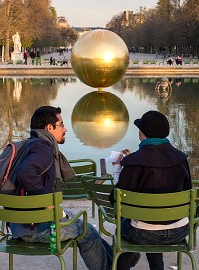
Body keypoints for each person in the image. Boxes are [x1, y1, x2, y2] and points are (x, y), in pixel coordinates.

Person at [9, 106, 112, 270]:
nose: (65, 129)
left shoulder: (28, 145)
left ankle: (117, 265)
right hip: (34, 230)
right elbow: (25, 173)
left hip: (18, 225)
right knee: (87, 230)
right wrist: (46, 200)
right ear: (49, 128)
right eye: (61, 124)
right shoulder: (43, 148)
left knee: (83, 225)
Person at [109, 110, 192, 270]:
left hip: (142, 233)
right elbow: (188, 193)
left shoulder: (133, 162)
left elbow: (116, 198)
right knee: (150, 220)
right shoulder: (181, 158)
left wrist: (118, 169)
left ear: (143, 133)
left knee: (130, 223)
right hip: (179, 231)